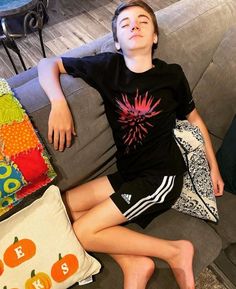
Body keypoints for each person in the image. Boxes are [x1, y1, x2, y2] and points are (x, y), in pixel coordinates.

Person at [38, 1, 224, 288]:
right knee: (62, 207)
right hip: (128, 174)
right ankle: (134, 262)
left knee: (83, 231)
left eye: (143, 22)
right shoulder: (107, 67)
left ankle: (175, 250)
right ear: (116, 41)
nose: (134, 26)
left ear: (154, 37)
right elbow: (47, 63)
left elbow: (195, 119)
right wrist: (58, 103)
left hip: (161, 178)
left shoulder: (171, 75)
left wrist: (214, 169)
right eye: (125, 24)